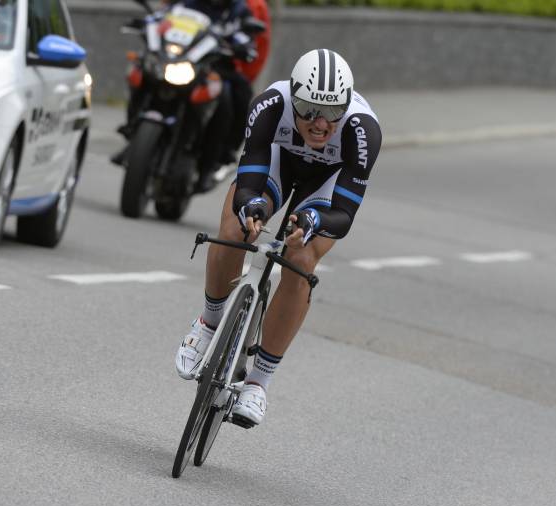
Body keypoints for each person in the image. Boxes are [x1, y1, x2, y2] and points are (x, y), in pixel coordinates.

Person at [175, 49, 382, 427]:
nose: (320, 124)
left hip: (326, 183)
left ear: (346, 106)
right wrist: (252, 205)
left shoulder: (361, 130)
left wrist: (313, 216)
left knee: (301, 261)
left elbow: (344, 215)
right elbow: (249, 179)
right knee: (234, 228)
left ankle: (259, 381)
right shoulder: (270, 104)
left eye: (332, 112)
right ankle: (208, 323)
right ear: (293, 97)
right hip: (278, 162)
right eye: (307, 110)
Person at [112, 0, 267, 194]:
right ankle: (133, 134)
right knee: (141, 72)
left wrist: (243, 46)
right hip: (176, 58)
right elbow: (164, 17)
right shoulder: (185, 3)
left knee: (233, 95)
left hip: (214, 64)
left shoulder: (238, 10)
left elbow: (247, 36)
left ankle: (214, 162)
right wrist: (147, 23)